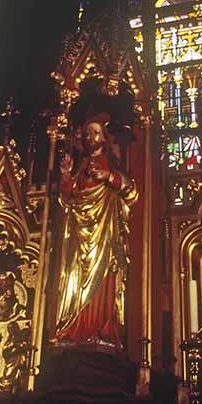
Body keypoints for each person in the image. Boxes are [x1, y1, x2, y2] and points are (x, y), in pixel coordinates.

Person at [54, 119, 138, 349]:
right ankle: (75, 328)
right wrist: (65, 175)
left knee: (103, 279)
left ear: (104, 137)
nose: (90, 136)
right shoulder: (80, 166)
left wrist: (108, 177)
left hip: (103, 233)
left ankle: (102, 329)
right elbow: (68, 199)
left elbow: (131, 193)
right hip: (80, 234)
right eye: (87, 133)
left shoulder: (111, 163)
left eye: (95, 132)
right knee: (74, 277)